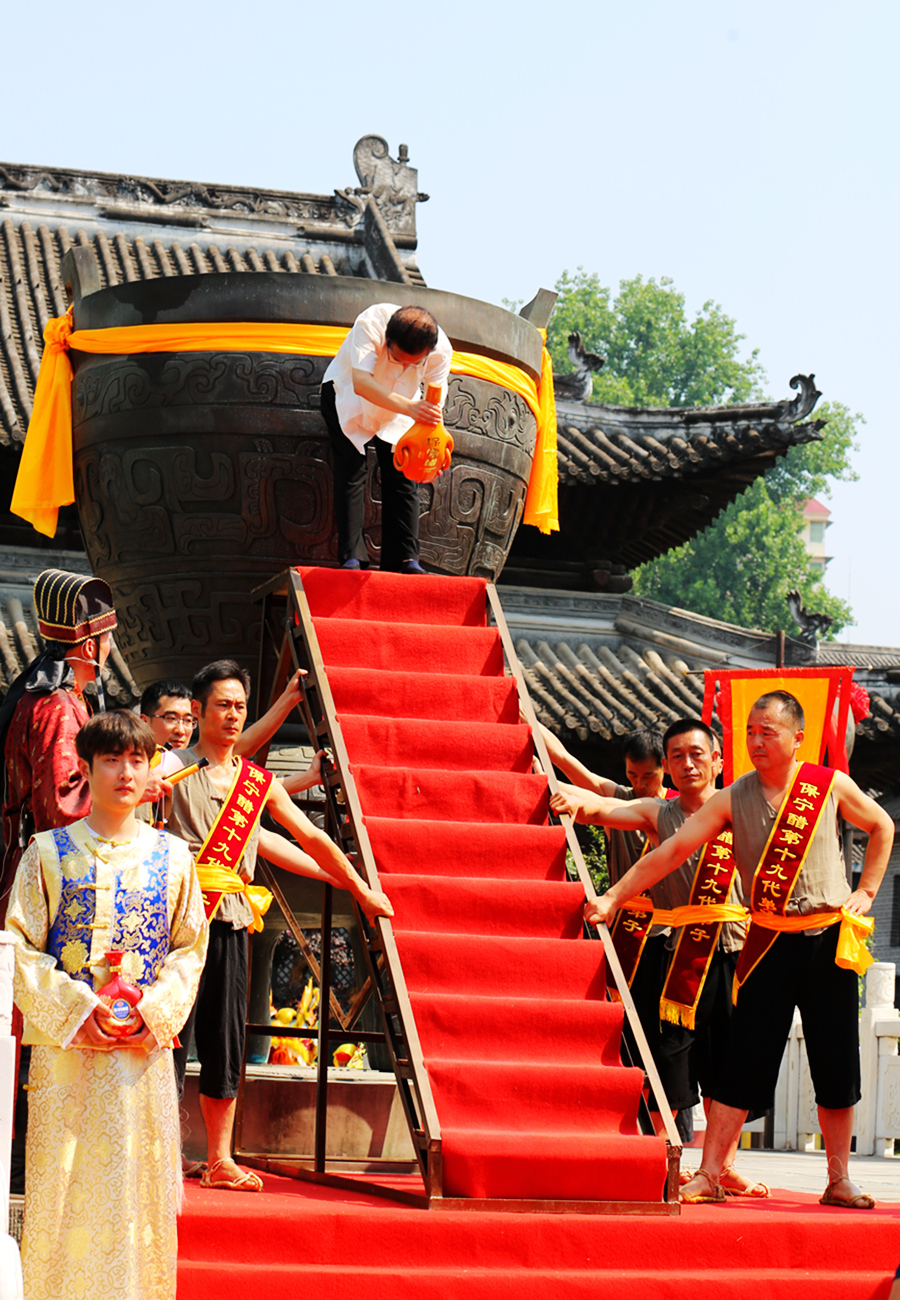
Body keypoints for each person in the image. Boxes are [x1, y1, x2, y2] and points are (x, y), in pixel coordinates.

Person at [585, 691, 894, 1209]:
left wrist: (866, 890)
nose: (755, 741)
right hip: (767, 941)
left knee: (836, 1063)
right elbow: (673, 850)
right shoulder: (732, 797)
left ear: (798, 738)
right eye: (749, 732)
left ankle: (839, 1178)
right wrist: (614, 896)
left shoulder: (828, 784)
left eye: (767, 732)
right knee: (741, 1061)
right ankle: (710, 1173)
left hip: (828, 943)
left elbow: (882, 825)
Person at [167, 658, 393, 1191]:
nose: (232, 715)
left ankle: (219, 1158)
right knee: (167, 1034)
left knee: (225, 1037)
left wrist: (358, 887)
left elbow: (310, 839)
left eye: (240, 707)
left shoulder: (255, 784)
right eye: (222, 705)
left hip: (230, 918)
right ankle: (159, 1153)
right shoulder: (168, 768)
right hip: (174, 920)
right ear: (197, 711)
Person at [5, 710, 208, 1300]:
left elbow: (190, 949)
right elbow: (18, 945)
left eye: (137, 760)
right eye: (112, 760)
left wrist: (152, 1011)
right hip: (67, 1057)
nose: (126, 773)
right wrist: (77, 1009)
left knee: (136, 1193)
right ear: (87, 770)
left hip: (140, 1056)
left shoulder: (175, 858)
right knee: (62, 1186)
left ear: (150, 771)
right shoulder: (46, 854)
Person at [551, 719, 764, 1196]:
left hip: (735, 949)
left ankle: (722, 1165)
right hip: (677, 952)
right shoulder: (657, 811)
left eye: (696, 754)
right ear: (667, 766)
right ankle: (667, 1156)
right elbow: (603, 805)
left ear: (718, 760)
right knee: (667, 1061)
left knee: (729, 1063)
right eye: (677, 757)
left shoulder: (745, 808)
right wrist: (574, 803)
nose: (688, 764)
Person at [0, 569, 118, 920]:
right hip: (47, 876)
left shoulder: (53, 698)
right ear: (90, 647)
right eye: (108, 640)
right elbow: (62, 806)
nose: (110, 648)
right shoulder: (58, 708)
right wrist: (133, 787)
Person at [320, 303, 452, 573]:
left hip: (402, 408)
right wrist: (410, 408)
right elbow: (361, 382)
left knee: (403, 474)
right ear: (387, 339)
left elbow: (434, 406)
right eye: (397, 360)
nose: (404, 367)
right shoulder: (370, 323)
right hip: (349, 397)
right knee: (351, 470)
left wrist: (433, 452)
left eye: (414, 363)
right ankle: (352, 558)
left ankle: (404, 559)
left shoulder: (441, 351)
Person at [541, 724, 667, 885]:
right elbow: (563, 758)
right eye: (632, 774)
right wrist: (524, 714)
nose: (639, 783)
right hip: (621, 900)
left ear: (665, 766)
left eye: (648, 776)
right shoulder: (618, 798)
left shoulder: (677, 805)